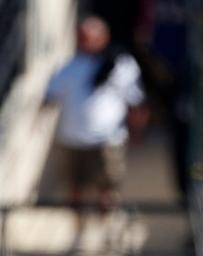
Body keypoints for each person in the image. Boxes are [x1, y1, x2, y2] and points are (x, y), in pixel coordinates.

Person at [44, 15, 147, 237]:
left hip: (107, 140)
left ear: (104, 38)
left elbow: (136, 100)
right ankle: (78, 232)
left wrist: (138, 131)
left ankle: (106, 232)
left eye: (91, 38)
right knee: (74, 189)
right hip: (72, 139)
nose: (86, 42)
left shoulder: (120, 64)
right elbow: (51, 96)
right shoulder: (70, 65)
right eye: (82, 38)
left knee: (107, 189)